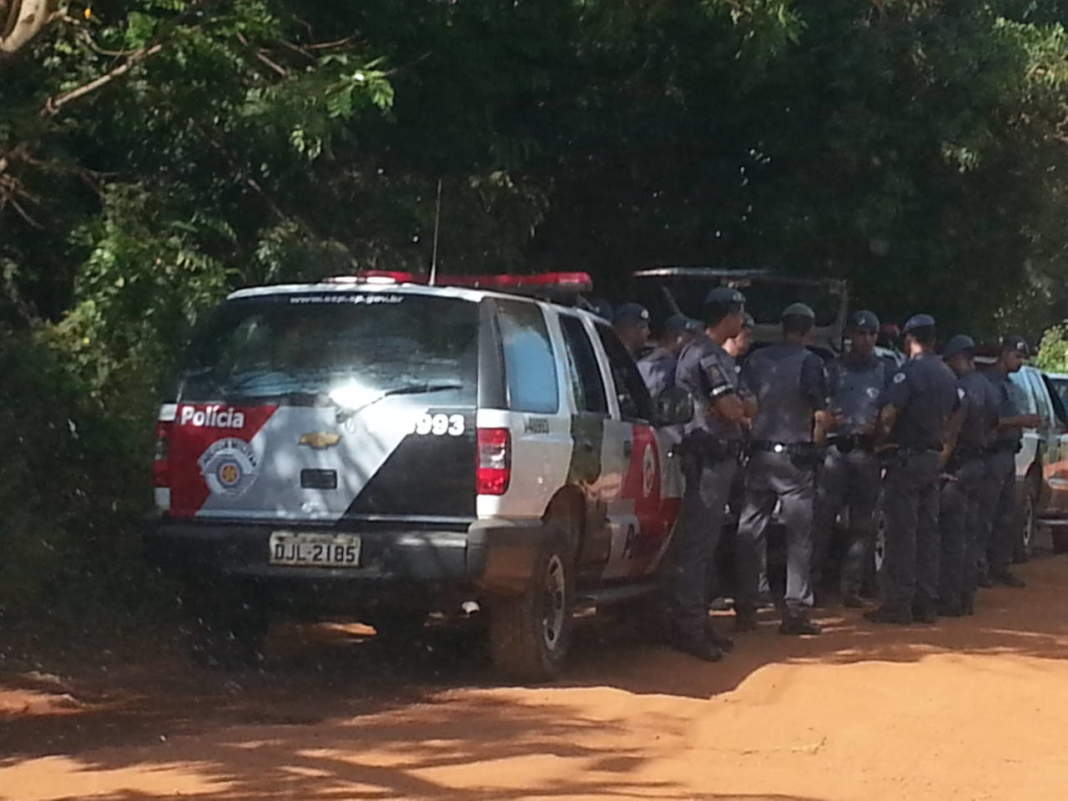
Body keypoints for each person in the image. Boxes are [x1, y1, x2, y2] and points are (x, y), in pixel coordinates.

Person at [735, 302, 830, 636]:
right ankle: (795, 612)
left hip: (760, 455)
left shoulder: (757, 360)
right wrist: (816, 448)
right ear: (809, 331)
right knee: (799, 535)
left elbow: (744, 407)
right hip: (794, 458)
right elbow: (819, 413)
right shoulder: (811, 363)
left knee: (749, 529)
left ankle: (746, 606)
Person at [670, 287, 752, 660]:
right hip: (707, 459)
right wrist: (740, 407)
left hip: (716, 459)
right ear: (728, 316)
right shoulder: (706, 354)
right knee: (697, 547)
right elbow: (735, 409)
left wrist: (741, 406)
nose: (743, 320)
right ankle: (689, 628)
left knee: (706, 546)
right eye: (740, 313)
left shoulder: (708, 352)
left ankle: (699, 622)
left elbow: (741, 406)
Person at [865, 314, 959, 625]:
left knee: (901, 532)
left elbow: (890, 414)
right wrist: (944, 449)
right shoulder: (947, 374)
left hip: (906, 460)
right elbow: (958, 415)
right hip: (932, 460)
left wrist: (878, 440)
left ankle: (898, 603)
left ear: (909, 340)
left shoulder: (909, 373)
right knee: (927, 532)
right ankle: (925, 602)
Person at [812, 310, 888, 608]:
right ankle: (812, 586)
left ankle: (852, 588)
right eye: (860, 333)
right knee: (822, 521)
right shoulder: (832, 369)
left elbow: (894, 410)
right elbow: (816, 406)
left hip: (867, 452)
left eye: (871, 334)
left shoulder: (885, 369)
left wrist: (881, 429)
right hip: (834, 451)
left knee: (863, 524)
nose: (866, 339)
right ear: (850, 337)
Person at [938, 335, 998, 617]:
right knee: (973, 534)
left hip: (959, 467)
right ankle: (966, 598)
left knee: (952, 534)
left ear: (959, 358)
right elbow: (995, 425)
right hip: (982, 464)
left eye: (950, 361)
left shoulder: (961, 390)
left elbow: (951, 434)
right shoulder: (988, 386)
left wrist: (940, 466)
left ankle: (950, 599)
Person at [979, 337, 1041, 589]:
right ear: (1003, 354)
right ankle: (979, 568)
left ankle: (999, 566)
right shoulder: (988, 382)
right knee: (986, 514)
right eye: (1016, 356)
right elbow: (991, 421)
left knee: (1006, 514)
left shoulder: (1011, 384)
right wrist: (1020, 420)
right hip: (991, 454)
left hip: (1008, 455)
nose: (1019, 361)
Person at [637, 314, 698, 398]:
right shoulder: (666, 366)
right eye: (691, 337)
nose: (694, 342)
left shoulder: (645, 360)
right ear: (678, 338)